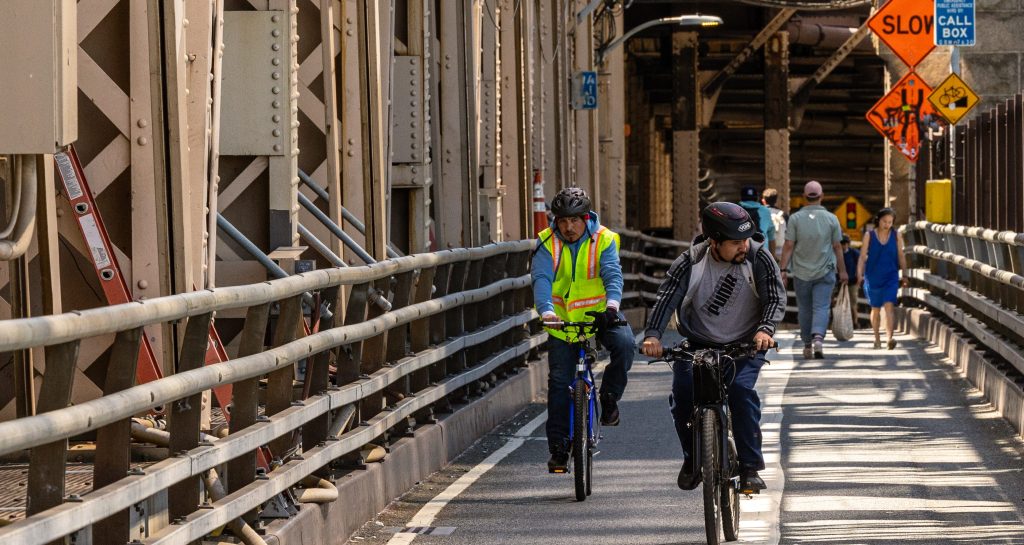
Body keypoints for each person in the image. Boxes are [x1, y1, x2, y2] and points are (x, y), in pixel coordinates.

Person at [640, 202, 785, 493]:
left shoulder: (758, 257)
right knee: (682, 395)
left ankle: (749, 468)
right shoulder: (691, 261)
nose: (743, 246)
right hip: (697, 343)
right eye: (735, 243)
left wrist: (765, 329)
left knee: (741, 393)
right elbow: (666, 297)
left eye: (745, 239)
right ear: (714, 242)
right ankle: (693, 457)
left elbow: (774, 298)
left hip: (746, 343)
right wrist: (653, 335)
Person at [531, 186, 635, 473]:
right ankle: (559, 448)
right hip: (562, 322)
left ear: (585, 218)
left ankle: (610, 396)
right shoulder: (546, 242)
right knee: (559, 382)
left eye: (574, 220)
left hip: (601, 314)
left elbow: (612, 274)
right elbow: (541, 278)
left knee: (626, 345)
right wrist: (547, 312)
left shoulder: (604, 239)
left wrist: (612, 307)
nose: (568, 227)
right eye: (563, 221)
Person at [779, 181, 849, 359]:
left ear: (804, 197)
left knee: (804, 308)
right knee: (821, 306)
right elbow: (837, 247)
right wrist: (842, 271)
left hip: (801, 272)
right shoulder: (832, 219)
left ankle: (807, 344)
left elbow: (788, 245)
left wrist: (783, 269)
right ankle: (818, 337)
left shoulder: (795, 219)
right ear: (821, 196)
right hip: (825, 271)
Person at [856, 208, 908, 350]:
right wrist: (859, 273)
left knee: (889, 305)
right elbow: (862, 257)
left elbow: (901, 255)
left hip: (890, 276)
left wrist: (904, 274)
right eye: (884, 221)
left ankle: (889, 338)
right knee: (876, 308)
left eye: (890, 222)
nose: (887, 224)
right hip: (873, 277)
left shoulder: (896, 236)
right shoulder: (869, 235)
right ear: (878, 220)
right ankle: (877, 338)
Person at [739, 186, 777, 256]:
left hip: (740, 254)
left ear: (741, 198)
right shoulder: (766, 211)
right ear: (757, 198)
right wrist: (773, 257)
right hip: (761, 254)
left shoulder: (735, 210)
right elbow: (771, 237)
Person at [840, 234, 860, 327]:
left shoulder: (854, 253)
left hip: (852, 281)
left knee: (853, 303)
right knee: (840, 302)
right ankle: (841, 322)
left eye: (844, 243)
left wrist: (859, 276)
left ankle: (855, 322)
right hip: (840, 282)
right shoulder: (837, 253)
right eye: (841, 243)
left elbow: (860, 264)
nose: (843, 245)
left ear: (848, 244)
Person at [762, 188, 787, 260]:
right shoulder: (783, 214)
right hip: (781, 251)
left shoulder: (761, 213)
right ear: (776, 201)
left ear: (763, 201)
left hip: (765, 250)